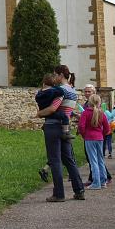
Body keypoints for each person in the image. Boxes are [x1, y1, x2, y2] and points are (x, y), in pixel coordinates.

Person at [36, 64, 85, 202]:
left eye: (55, 74)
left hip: (53, 126)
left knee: (55, 160)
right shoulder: (73, 91)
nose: (54, 77)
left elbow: (53, 108)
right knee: (69, 160)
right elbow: (67, 111)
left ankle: (59, 194)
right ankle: (79, 190)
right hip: (65, 127)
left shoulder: (60, 90)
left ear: (61, 75)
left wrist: (39, 113)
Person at [75, 84, 113, 186]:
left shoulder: (85, 112)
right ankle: (103, 181)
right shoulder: (101, 112)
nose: (86, 93)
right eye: (85, 91)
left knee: (93, 161)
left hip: (89, 138)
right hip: (99, 138)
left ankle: (96, 182)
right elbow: (107, 128)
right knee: (100, 160)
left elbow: (81, 127)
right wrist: (102, 134)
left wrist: (84, 135)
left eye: (89, 92)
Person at [35, 73, 74, 142]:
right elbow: (61, 92)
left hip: (42, 109)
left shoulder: (40, 92)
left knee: (48, 117)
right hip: (50, 111)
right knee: (64, 116)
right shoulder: (52, 91)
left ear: (44, 83)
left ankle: (45, 126)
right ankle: (66, 132)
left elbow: (37, 99)